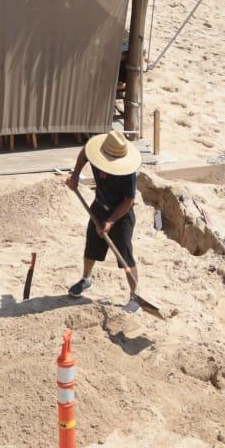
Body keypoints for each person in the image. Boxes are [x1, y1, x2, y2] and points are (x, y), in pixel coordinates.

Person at [66, 131, 141, 313]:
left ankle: (135, 296)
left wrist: (111, 222)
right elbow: (84, 153)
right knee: (91, 245)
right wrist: (75, 175)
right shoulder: (95, 155)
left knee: (124, 254)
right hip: (99, 206)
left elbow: (129, 200)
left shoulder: (127, 173)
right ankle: (85, 279)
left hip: (121, 214)